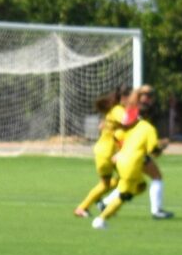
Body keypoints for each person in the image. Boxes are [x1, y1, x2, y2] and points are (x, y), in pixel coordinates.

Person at [91, 86, 168, 230]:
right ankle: (101, 218)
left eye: (150, 96)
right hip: (131, 158)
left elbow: (123, 133)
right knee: (137, 186)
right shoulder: (135, 116)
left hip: (126, 156)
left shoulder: (137, 118)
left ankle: (105, 204)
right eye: (146, 95)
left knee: (138, 186)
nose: (149, 98)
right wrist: (161, 146)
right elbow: (153, 151)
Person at [72, 88, 137, 218]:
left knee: (117, 181)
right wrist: (136, 110)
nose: (133, 100)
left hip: (106, 151)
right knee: (120, 180)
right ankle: (86, 207)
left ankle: (94, 203)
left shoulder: (116, 109)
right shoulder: (117, 109)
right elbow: (127, 120)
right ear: (124, 98)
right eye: (132, 97)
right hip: (107, 153)